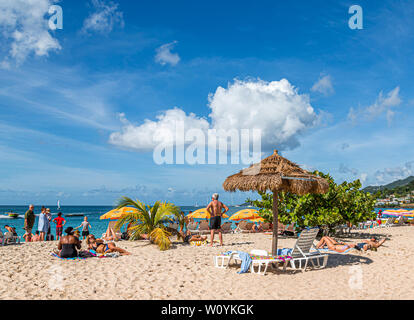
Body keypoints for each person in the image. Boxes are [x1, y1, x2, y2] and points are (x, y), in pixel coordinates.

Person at [316, 236, 386, 253]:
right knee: (327, 237)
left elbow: (365, 247)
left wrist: (364, 247)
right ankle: (321, 246)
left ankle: (317, 247)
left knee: (324, 237)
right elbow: (382, 240)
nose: (372, 238)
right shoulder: (374, 243)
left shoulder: (373, 244)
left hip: (335, 247)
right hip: (341, 246)